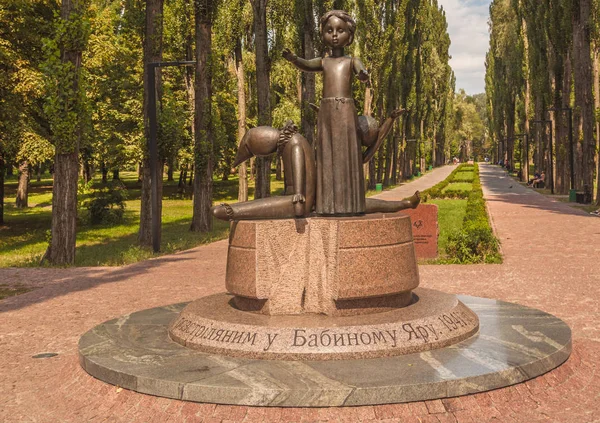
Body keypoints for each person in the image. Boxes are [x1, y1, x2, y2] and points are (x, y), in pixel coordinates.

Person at [283, 10, 368, 216]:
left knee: (347, 153)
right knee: (327, 154)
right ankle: (327, 205)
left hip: (346, 110)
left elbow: (361, 72)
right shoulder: (323, 61)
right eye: (329, 31)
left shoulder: (351, 61)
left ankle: (351, 204)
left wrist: (364, 75)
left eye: (340, 30)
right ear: (323, 34)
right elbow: (306, 64)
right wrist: (294, 59)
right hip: (327, 113)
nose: (335, 35)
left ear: (350, 35)